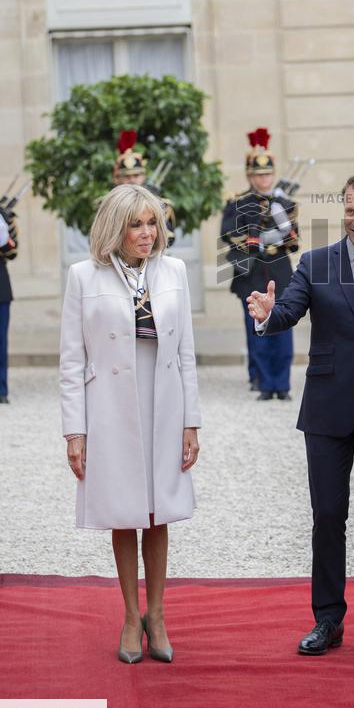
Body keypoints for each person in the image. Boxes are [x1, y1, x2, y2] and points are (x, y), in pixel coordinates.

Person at [247, 171, 354, 661]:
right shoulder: (316, 262)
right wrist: (266, 313)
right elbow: (288, 313)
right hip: (327, 409)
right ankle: (328, 619)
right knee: (328, 516)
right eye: (350, 210)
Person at [59, 184, 201, 664]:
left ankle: (157, 615)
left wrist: (191, 421)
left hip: (164, 401)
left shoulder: (174, 270)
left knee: (159, 510)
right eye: (136, 224)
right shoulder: (83, 275)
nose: (147, 233)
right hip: (110, 407)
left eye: (152, 223)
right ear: (115, 227)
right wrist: (74, 431)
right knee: (124, 510)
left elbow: (185, 354)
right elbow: (71, 360)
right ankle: (129, 614)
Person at [220, 128, 299, 400]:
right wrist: (255, 239)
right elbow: (229, 234)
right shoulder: (237, 202)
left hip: (279, 270)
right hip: (251, 272)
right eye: (258, 174)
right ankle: (264, 383)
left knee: (283, 327)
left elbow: (293, 237)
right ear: (250, 176)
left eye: (267, 174)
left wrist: (276, 230)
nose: (263, 179)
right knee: (257, 329)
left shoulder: (284, 202)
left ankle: (283, 384)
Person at [113, 130, 176, 247]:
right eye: (127, 176)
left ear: (143, 176)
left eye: (136, 175)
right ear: (118, 178)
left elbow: (169, 238)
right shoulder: (108, 205)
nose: (132, 180)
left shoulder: (161, 204)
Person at [0, 199, 17, 404]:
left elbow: (12, 251)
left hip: (0, 288)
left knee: (0, 342)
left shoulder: (4, 216)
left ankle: (1, 388)